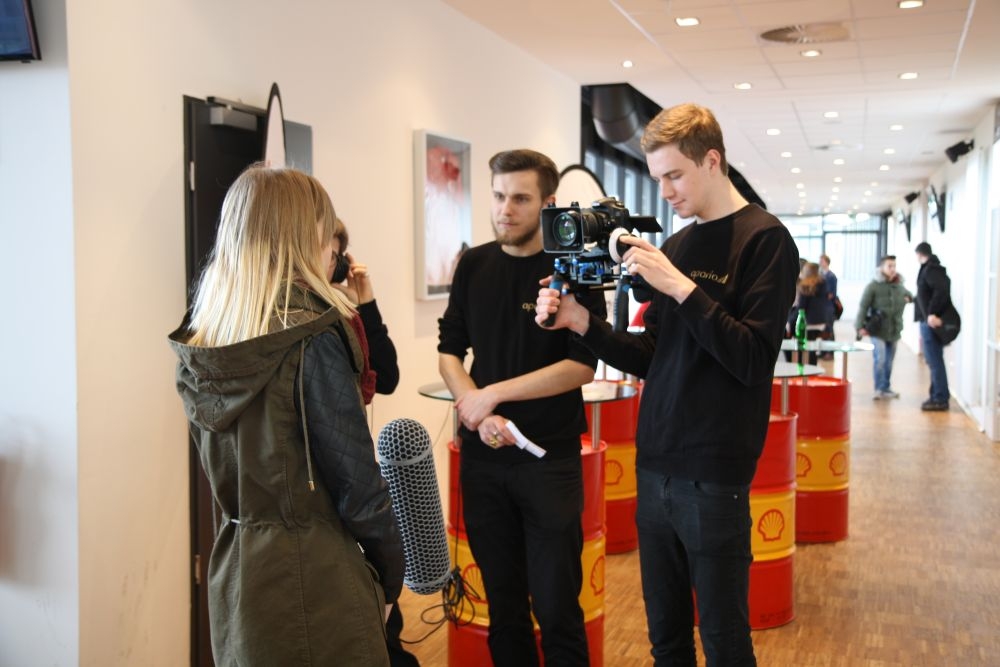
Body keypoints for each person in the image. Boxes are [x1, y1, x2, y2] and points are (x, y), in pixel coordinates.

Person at [536, 102, 799, 666]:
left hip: (715, 473)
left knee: (726, 644)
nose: (666, 191)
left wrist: (681, 288)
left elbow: (753, 358)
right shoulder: (676, 247)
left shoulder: (765, 240)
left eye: (674, 175)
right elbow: (651, 357)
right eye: (657, 178)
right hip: (654, 464)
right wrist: (581, 324)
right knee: (666, 641)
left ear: (712, 161)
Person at [168, 165, 404, 666]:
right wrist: (391, 576)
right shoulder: (312, 336)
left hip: (238, 576)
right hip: (318, 582)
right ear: (305, 235)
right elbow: (358, 486)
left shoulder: (206, 339)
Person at [437, 149, 605, 666]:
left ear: (548, 203)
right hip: (485, 459)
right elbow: (449, 352)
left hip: (548, 462)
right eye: (498, 196)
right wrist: (479, 410)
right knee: (504, 612)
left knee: (557, 610)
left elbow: (582, 366)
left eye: (520, 198)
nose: (504, 209)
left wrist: (495, 393)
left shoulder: (573, 269)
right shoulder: (474, 265)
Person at [329, 219, 419, 667]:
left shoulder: (347, 314)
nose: (332, 261)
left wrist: (365, 301)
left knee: (387, 628)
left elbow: (388, 375)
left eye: (337, 253)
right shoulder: (315, 324)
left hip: (355, 481)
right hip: (333, 489)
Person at [855, 255, 912, 400]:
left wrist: (909, 298)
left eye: (894, 266)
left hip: (894, 330)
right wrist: (859, 326)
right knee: (880, 359)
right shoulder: (873, 286)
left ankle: (886, 387)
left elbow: (909, 295)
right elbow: (863, 306)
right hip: (878, 330)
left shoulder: (899, 285)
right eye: (889, 266)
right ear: (882, 268)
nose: (892, 269)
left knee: (889, 361)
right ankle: (879, 389)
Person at [914, 241, 952, 411]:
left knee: (934, 361)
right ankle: (936, 395)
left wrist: (931, 313)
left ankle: (940, 398)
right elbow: (926, 294)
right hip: (927, 321)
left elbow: (941, 291)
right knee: (933, 360)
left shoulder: (931, 270)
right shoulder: (930, 268)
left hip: (930, 322)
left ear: (919, 254)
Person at [786, 261, 830, 365]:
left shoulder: (805, 286)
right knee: (812, 351)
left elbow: (801, 309)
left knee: (805, 349)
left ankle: (803, 370)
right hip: (822, 322)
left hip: (808, 323)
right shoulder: (823, 284)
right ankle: (813, 369)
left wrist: (789, 321)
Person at [819, 253, 839, 351]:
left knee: (829, 329)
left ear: (827, 262)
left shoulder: (831, 276)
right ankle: (824, 351)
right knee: (824, 329)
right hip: (823, 307)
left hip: (829, 307)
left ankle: (830, 351)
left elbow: (832, 294)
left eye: (822, 261)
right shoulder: (821, 275)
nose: (820, 263)